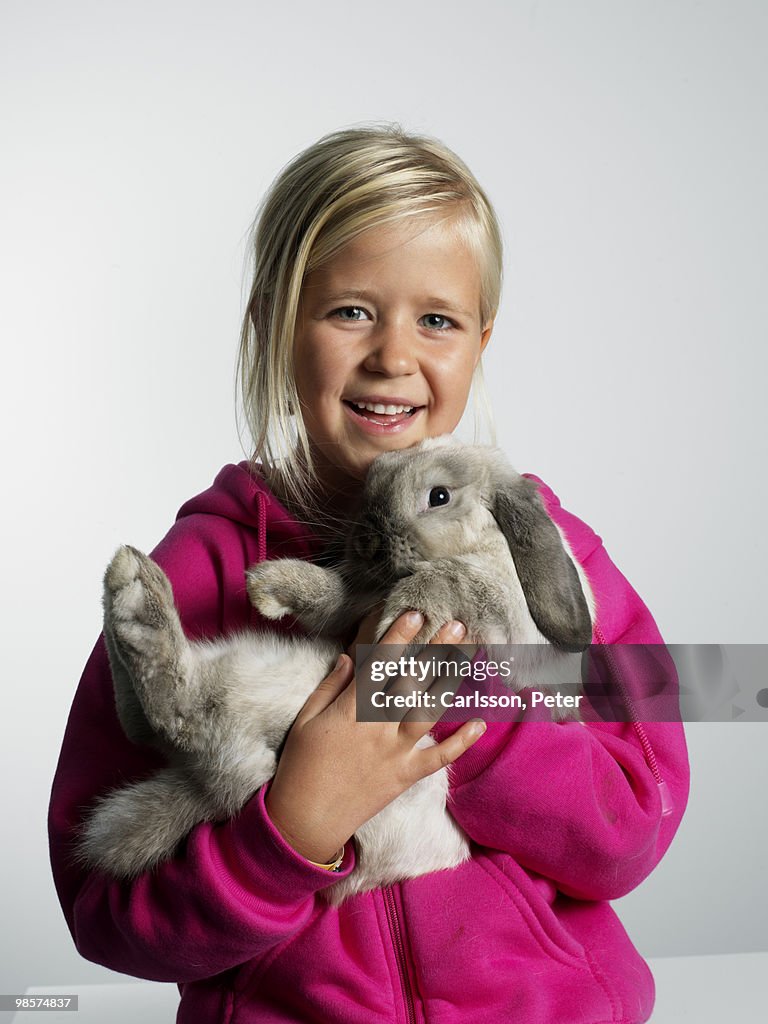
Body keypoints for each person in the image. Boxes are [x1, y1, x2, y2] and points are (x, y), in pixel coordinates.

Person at [48, 123, 690, 1023]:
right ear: (274, 324)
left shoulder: (547, 549)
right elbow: (104, 907)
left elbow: (631, 820)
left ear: (481, 339)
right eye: (351, 310)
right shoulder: (196, 574)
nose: (394, 356)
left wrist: (466, 702)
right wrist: (295, 825)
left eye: (437, 319)